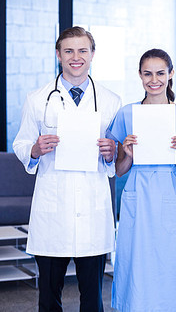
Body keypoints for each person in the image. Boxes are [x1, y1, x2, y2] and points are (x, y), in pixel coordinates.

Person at [12, 26, 121, 311]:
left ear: (93, 54)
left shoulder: (111, 101)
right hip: (53, 213)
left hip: (92, 212)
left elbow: (116, 157)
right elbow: (21, 144)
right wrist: (35, 149)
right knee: (48, 298)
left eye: (83, 50)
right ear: (58, 55)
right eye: (69, 51)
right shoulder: (37, 98)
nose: (76, 57)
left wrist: (111, 153)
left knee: (93, 299)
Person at [107, 48, 176, 311]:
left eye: (160, 73)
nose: (154, 80)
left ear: (170, 74)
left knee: (171, 262)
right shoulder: (127, 114)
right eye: (147, 73)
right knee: (136, 261)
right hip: (137, 194)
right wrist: (129, 154)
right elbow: (120, 170)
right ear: (139, 75)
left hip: (170, 193)